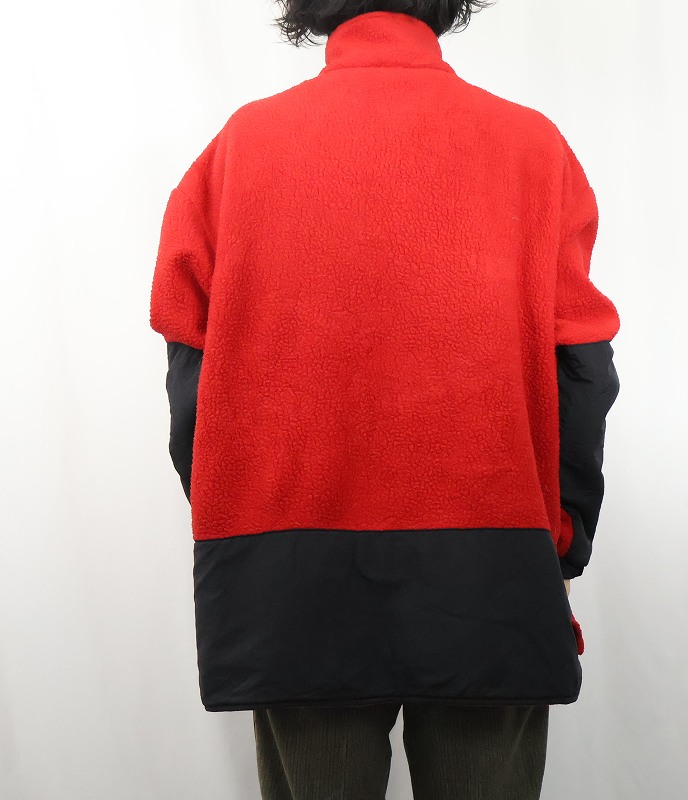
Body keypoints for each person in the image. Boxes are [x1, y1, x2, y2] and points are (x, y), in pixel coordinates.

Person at [149, 1, 621, 797]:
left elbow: (191, 374)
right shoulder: (530, 146)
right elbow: (582, 368)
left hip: (293, 571)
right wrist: (562, 543)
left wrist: (245, 528)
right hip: (492, 564)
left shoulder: (242, 147)